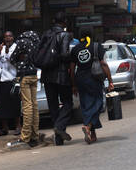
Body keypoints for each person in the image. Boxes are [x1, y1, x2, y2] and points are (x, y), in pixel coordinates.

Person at [39, 14, 75, 145]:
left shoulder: (46, 34)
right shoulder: (64, 35)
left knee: (53, 105)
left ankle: (58, 139)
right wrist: (72, 56)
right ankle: (59, 128)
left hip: (46, 75)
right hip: (60, 75)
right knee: (68, 103)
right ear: (64, 22)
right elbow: (65, 54)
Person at [71, 30, 108, 144]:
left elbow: (72, 69)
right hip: (94, 79)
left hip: (80, 79)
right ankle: (87, 126)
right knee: (98, 103)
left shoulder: (75, 49)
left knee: (86, 105)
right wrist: (110, 80)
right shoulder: (96, 46)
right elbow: (103, 64)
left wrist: (73, 85)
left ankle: (92, 133)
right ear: (92, 36)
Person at [10, 26, 43, 147]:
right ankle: (35, 135)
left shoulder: (22, 42)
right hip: (34, 75)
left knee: (27, 106)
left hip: (24, 76)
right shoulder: (37, 41)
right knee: (34, 105)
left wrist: (19, 62)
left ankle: (25, 136)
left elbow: (12, 58)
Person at [0, 31, 20, 135]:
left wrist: (6, 52)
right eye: (6, 37)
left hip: (11, 79)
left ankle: (18, 126)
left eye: (10, 36)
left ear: (13, 37)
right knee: (1, 104)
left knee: (14, 104)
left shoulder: (16, 47)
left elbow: (13, 60)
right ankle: (4, 128)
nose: (8, 38)